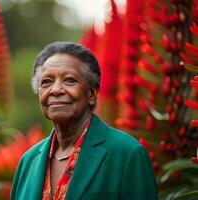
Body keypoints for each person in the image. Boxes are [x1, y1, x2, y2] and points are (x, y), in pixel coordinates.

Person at [10, 41, 158, 200]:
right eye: (46, 82)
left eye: (69, 80)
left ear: (92, 94)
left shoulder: (127, 153)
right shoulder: (28, 161)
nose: (56, 90)